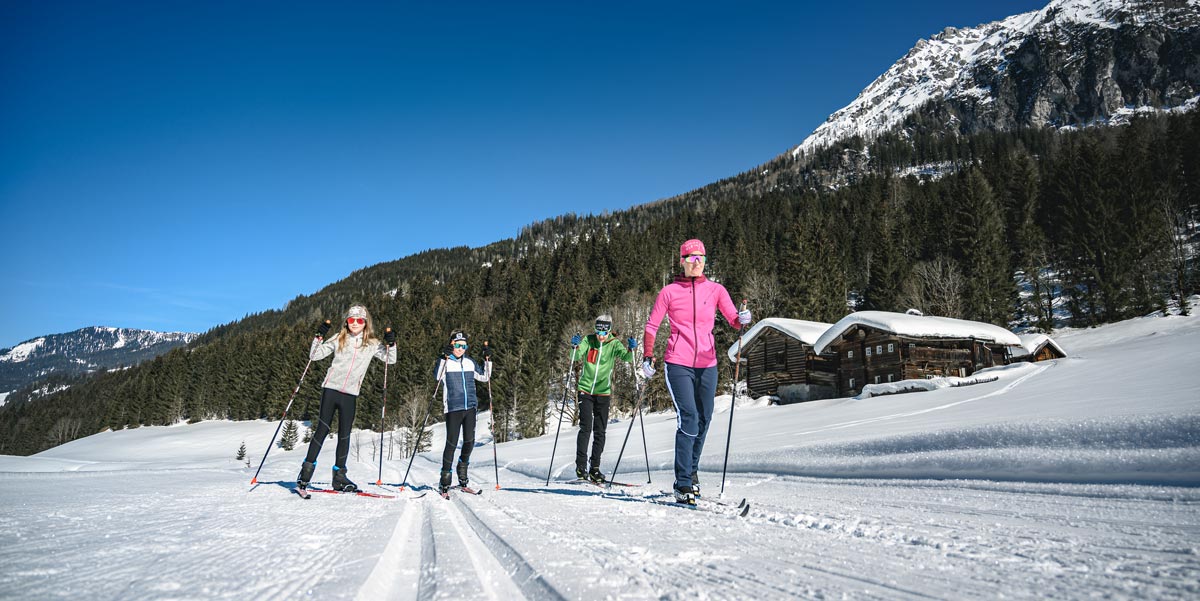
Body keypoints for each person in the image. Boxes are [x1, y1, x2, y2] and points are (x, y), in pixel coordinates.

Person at [642, 239, 751, 505]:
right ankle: (682, 482)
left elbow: (733, 320)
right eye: (692, 258)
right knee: (689, 417)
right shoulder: (669, 292)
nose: (697, 262)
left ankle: (692, 472)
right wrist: (647, 355)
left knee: (705, 418)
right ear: (682, 261)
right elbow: (652, 326)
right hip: (678, 362)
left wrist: (743, 319)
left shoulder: (716, 290)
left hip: (707, 363)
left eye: (701, 257)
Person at [297, 305, 396, 493]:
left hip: (350, 394)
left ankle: (339, 477)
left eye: (359, 320)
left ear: (365, 323)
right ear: (347, 322)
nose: (355, 323)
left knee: (344, 434)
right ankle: (305, 473)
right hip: (331, 389)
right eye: (351, 320)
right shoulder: (339, 338)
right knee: (322, 430)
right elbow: (315, 355)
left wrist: (392, 344)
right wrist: (319, 336)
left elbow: (390, 359)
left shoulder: (372, 343)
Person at [569, 315, 637, 483]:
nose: (601, 336)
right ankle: (580, 467)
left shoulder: (614, 343)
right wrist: (575, 347)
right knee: (586, 428)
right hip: (585, 390)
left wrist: (631, 349)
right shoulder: (589, 340)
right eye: (598, 332)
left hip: (603, 392)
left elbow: (626, 358)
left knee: (600, 431)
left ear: (609, 331)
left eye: (604, 332)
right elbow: (575, 357)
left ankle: (595, 468)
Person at [434, 330, 492, 495]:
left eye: (464, 346)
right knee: (451, 444)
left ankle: (463, 475)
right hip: (453, 408)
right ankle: (445, 481)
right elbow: (437, 377)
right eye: (458, 345)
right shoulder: (446, 362)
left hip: (470, 407)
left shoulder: (469, 362)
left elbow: (485, 377)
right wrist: (442, 357)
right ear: (451, 344)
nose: (460, 349)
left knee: (469, 442)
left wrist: (488, 360)